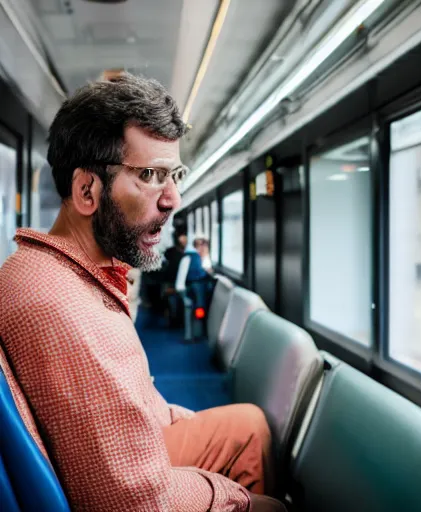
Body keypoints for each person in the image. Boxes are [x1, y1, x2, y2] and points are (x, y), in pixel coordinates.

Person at [0, 74, 285, 512]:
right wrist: (242, 499)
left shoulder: (57, 273)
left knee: (247, 423)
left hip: (128, 454)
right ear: (87, 191)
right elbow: (134, 503)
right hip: (130, 490)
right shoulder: (59, 305)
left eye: (175, 174)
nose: (172, 199)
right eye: (150, 175)